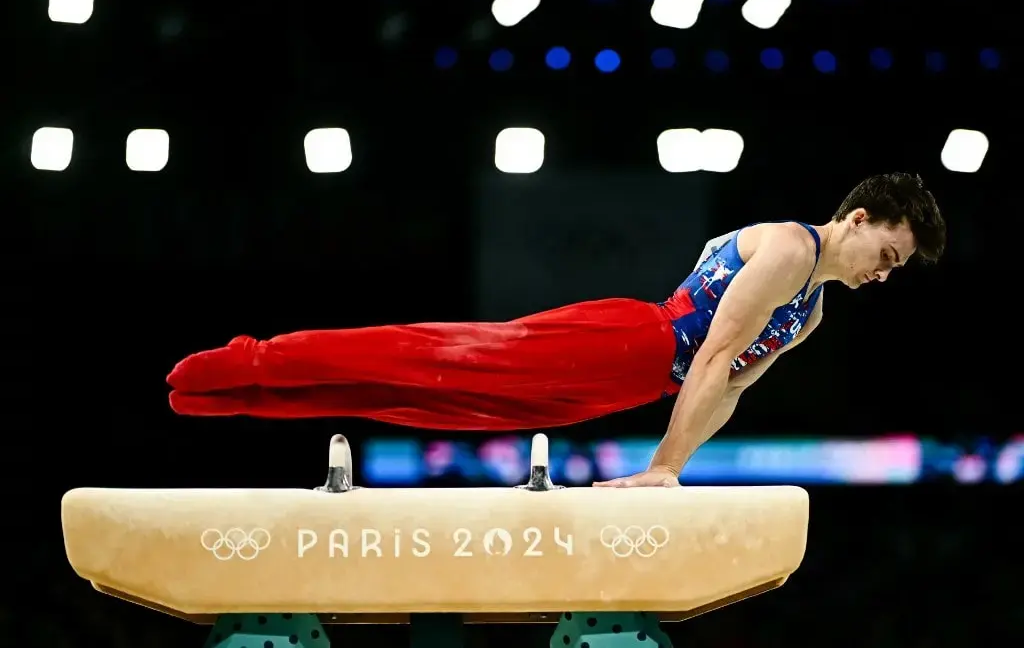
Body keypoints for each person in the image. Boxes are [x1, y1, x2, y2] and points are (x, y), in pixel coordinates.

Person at [167, 173, 945, 487]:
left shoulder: (810, 310)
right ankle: (254, 359)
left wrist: (673, 462)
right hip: (631, 342)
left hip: (623, 387)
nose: (884, 272)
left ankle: (249, 397)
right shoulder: (787, 250)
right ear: (858, 218)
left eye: (896, 268)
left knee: (442, 406)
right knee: (439, 358)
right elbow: (710, 356)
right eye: (887, 253)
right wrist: (664, 469)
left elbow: (730, 390)